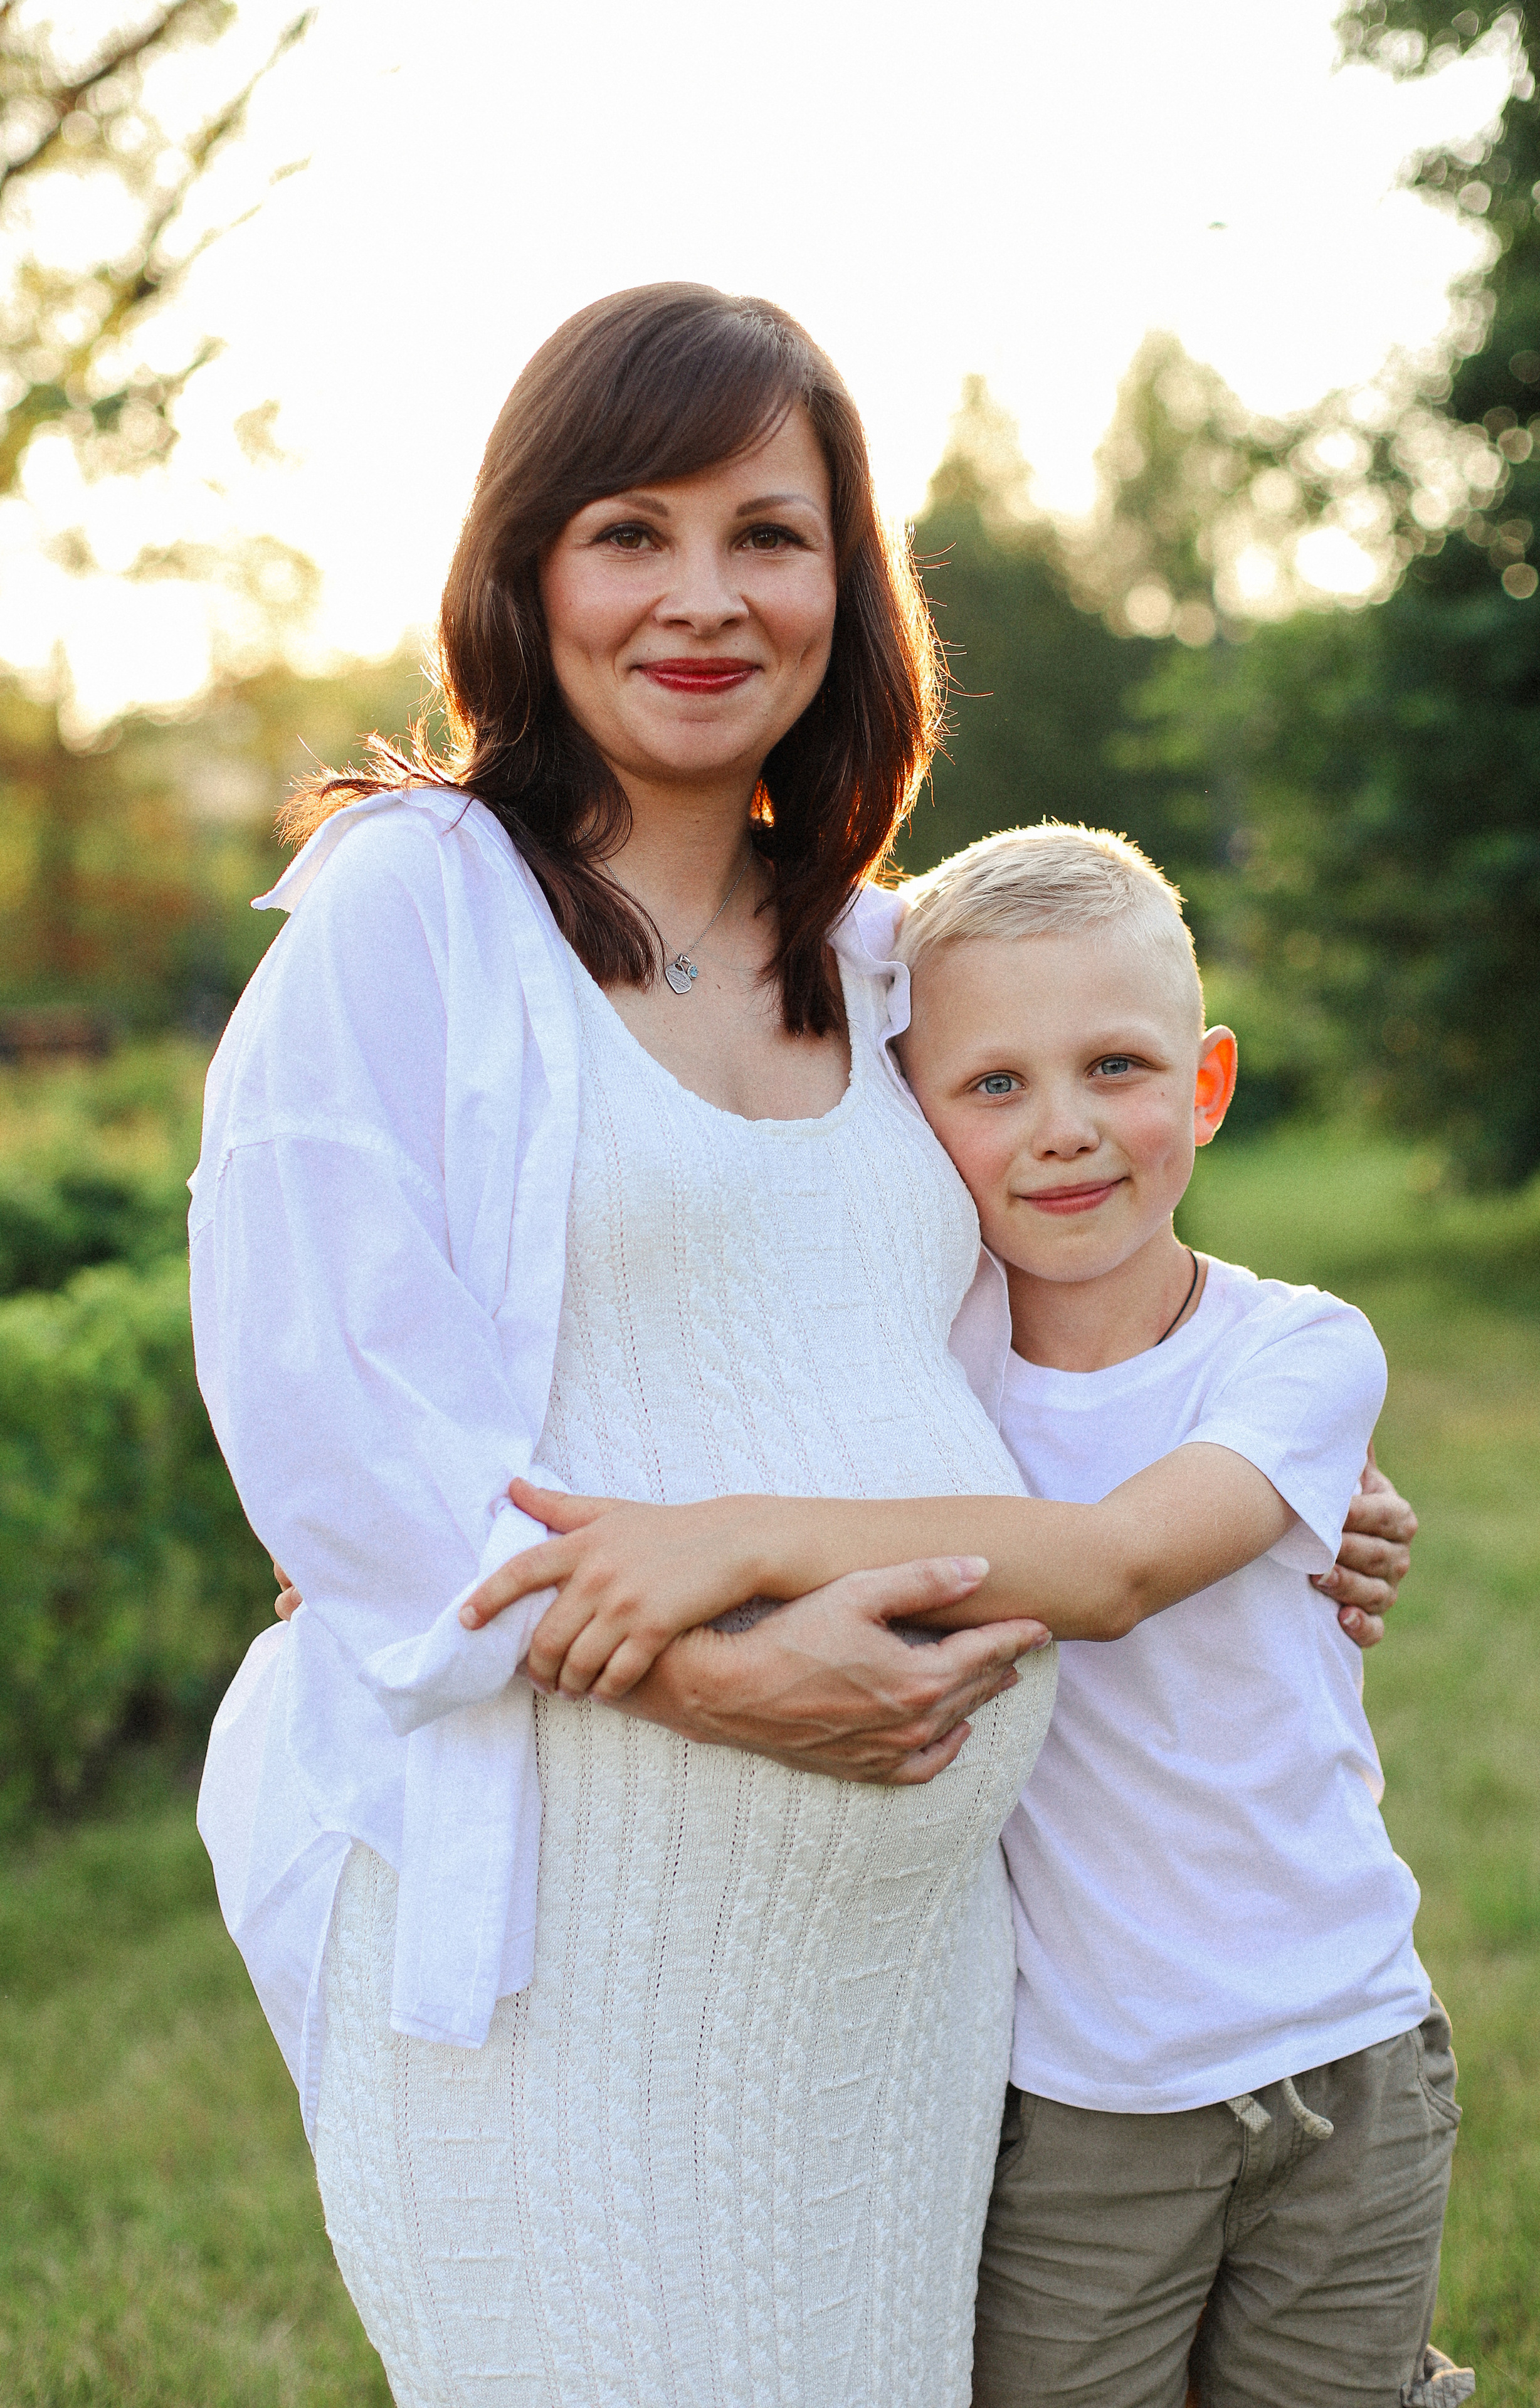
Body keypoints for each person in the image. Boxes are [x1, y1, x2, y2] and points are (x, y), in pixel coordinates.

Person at [193, 285, 1413, 2408]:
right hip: (581, 1962)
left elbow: (1045, 1292)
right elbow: (326, 1415)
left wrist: (1283, 1481)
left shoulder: (880, 952)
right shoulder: (417, 911)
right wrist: (710, 1671)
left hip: (926, 1996)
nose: (702, 596)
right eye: (630, 530)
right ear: (526, 568)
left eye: (769, 534)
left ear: (850, 586)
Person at [476, 823, 1467, 2408]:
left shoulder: (1299, 1354)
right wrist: (395, 1538)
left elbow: (1116, 1566)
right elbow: (620, 1421)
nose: (1064, 1132)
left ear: (1204, 1087)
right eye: (991, 1084)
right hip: (1077, 2093)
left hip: (1345, 2040)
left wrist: (734, 1541)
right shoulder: (910, 1382)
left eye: (1117, 1068)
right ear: (906, 1116)